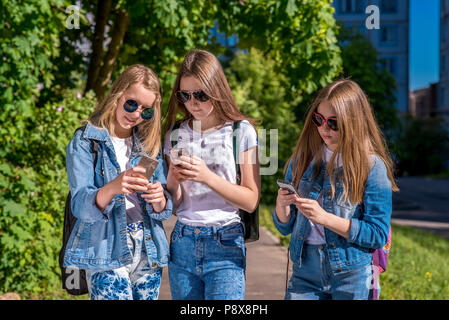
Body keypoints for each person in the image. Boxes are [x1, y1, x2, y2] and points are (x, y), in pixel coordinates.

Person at [273, 79, 398, 300]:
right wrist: (281, 207)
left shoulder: (372, 166)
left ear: (354, 122)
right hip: (305, 270)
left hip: (353, 273)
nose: (323, 128)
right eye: (318, 119)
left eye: (334, 123)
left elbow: (378, 234)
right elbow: (284, 229)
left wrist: (325, 218)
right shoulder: (302, 160)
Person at [64, 64, 173, 300]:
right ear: (118, 93)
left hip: (147, 248)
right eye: (131, 103)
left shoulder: (148, 145)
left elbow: (163, 207)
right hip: (105, 246)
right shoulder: (85, 141)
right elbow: (81, 205)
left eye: (145, 111)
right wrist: (114, 186)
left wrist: (160, 200)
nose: (135, 114)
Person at [163, 49, 261, 300]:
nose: (192, 103)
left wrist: (207, 176)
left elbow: (250, 200)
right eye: (184, 95)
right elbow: (176, 205)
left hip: (225, 240)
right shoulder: (174, 135)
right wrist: (173, 180)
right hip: (183, 240)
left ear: (216, 89)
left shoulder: (241, 131)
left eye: (201, 95)